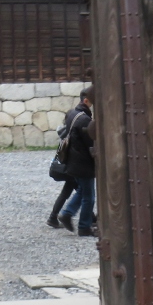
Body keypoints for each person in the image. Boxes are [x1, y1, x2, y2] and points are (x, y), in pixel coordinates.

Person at [55, 86, 96, 236]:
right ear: (86, 101)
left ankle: (67, 214)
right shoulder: (84, 119)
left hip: (74, 161)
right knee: (89, 197)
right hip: (83, 163)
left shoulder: (73, 113)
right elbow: (90, 142)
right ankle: (84, 227)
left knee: (82, 191)